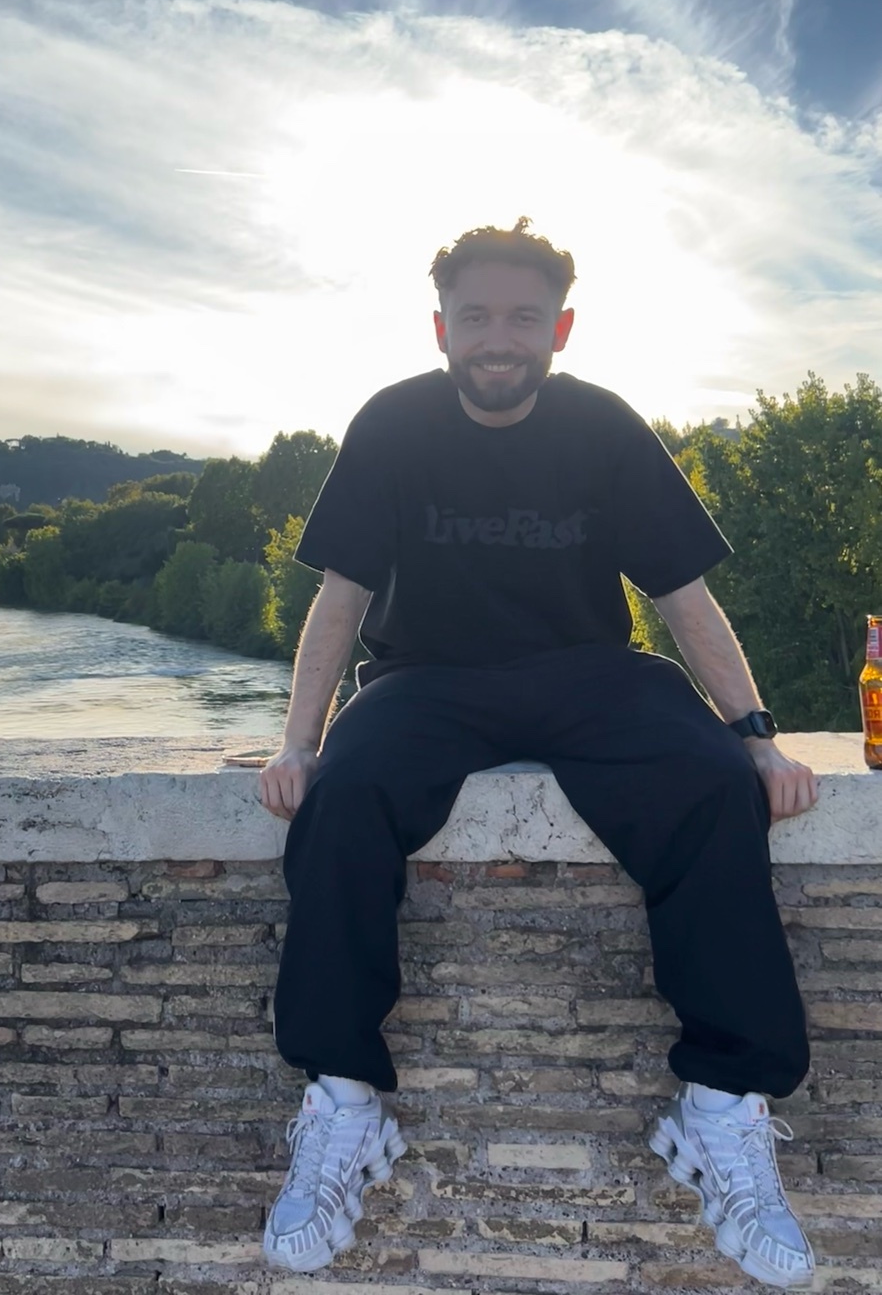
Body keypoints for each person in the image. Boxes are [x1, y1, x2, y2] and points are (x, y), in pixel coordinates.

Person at [257, 218, 819, 1290]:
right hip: (426, 679)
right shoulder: (392, 423)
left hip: (589, 673)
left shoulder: (604, 426)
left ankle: (719, 1110)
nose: (498, 337)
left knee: (708, 788)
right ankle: (343, 1105)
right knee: (345, 797)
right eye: (477, 318)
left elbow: (680, 597)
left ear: (559, 327)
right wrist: (299, 744)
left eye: (522, 317)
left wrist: (753, 735)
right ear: (442, 328)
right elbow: (342, 597)